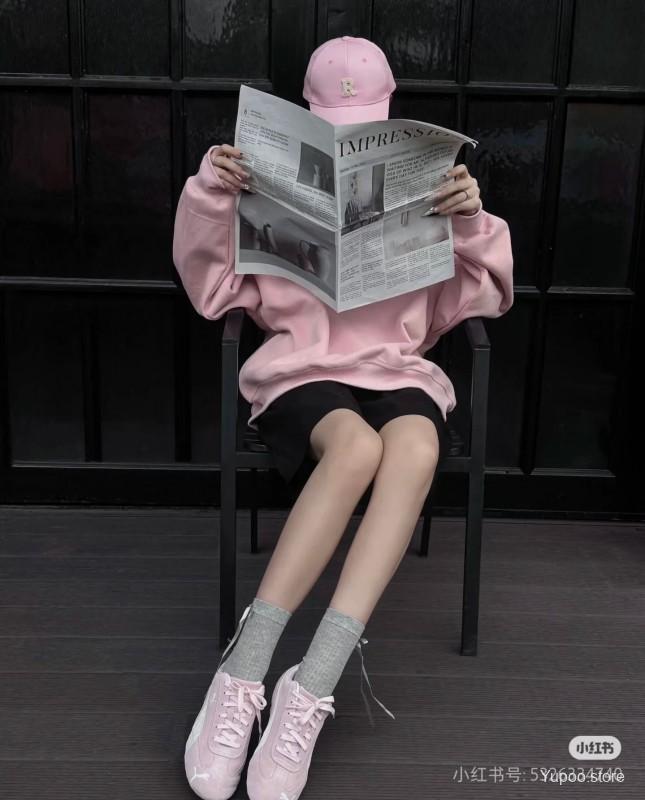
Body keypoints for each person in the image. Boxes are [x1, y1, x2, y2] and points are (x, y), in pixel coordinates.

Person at [173, 35, 513, 800]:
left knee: (416, 446)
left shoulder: (427, 179)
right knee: (354, 450)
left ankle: (311, 684)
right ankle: (242, 673)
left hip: (393, 365)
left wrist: (469, 220)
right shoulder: (261, 173)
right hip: (301, 366)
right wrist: (211, 192)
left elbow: (481, 299)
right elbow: (213, 293)